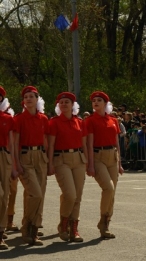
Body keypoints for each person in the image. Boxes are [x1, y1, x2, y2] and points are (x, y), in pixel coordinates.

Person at [48, 92, 88, 242]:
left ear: (73, 105)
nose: (64, 104)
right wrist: (50, 163)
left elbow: (84, 144)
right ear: (58, 105)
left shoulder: (79, 122)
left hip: (79, 158)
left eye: (67, 102)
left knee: (77, 196)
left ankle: (74, 228)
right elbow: (51, 144)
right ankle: (63, 224)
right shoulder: (54, 122)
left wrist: (88, 161)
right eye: (61, 102)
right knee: (70, 194)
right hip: (61, 159)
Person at [86, 91, 124, 239]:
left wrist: (120, 163)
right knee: (108, 188)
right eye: (94, 100)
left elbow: (116, 142)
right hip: (98, 156)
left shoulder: (113, 120)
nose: (95, 102)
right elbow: (89, 144)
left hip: (113, 156)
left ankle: (106, 223)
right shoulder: (90, 121)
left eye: (99, 100)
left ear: (105, 103)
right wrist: (90, 164)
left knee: (112, 193)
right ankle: (103, 220)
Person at [14, 86, 49, 246]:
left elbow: (46, 141)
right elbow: (14, 144)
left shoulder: (43, 119)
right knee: (35, 194)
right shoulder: (19, 119)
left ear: (37, 99)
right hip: (25, 157)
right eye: (26, 97)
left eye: (31, 97)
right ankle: (27, 225)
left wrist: (49, 161)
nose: (28, 99)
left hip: (40, 157)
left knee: (39, 194)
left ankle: (33, 230)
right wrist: (16, 164)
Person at [0, 86, 18, 250]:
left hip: (4, 155)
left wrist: (13, 166)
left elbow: (12, 144)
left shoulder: (7, 118)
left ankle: (1, 231)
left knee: (4, 194)